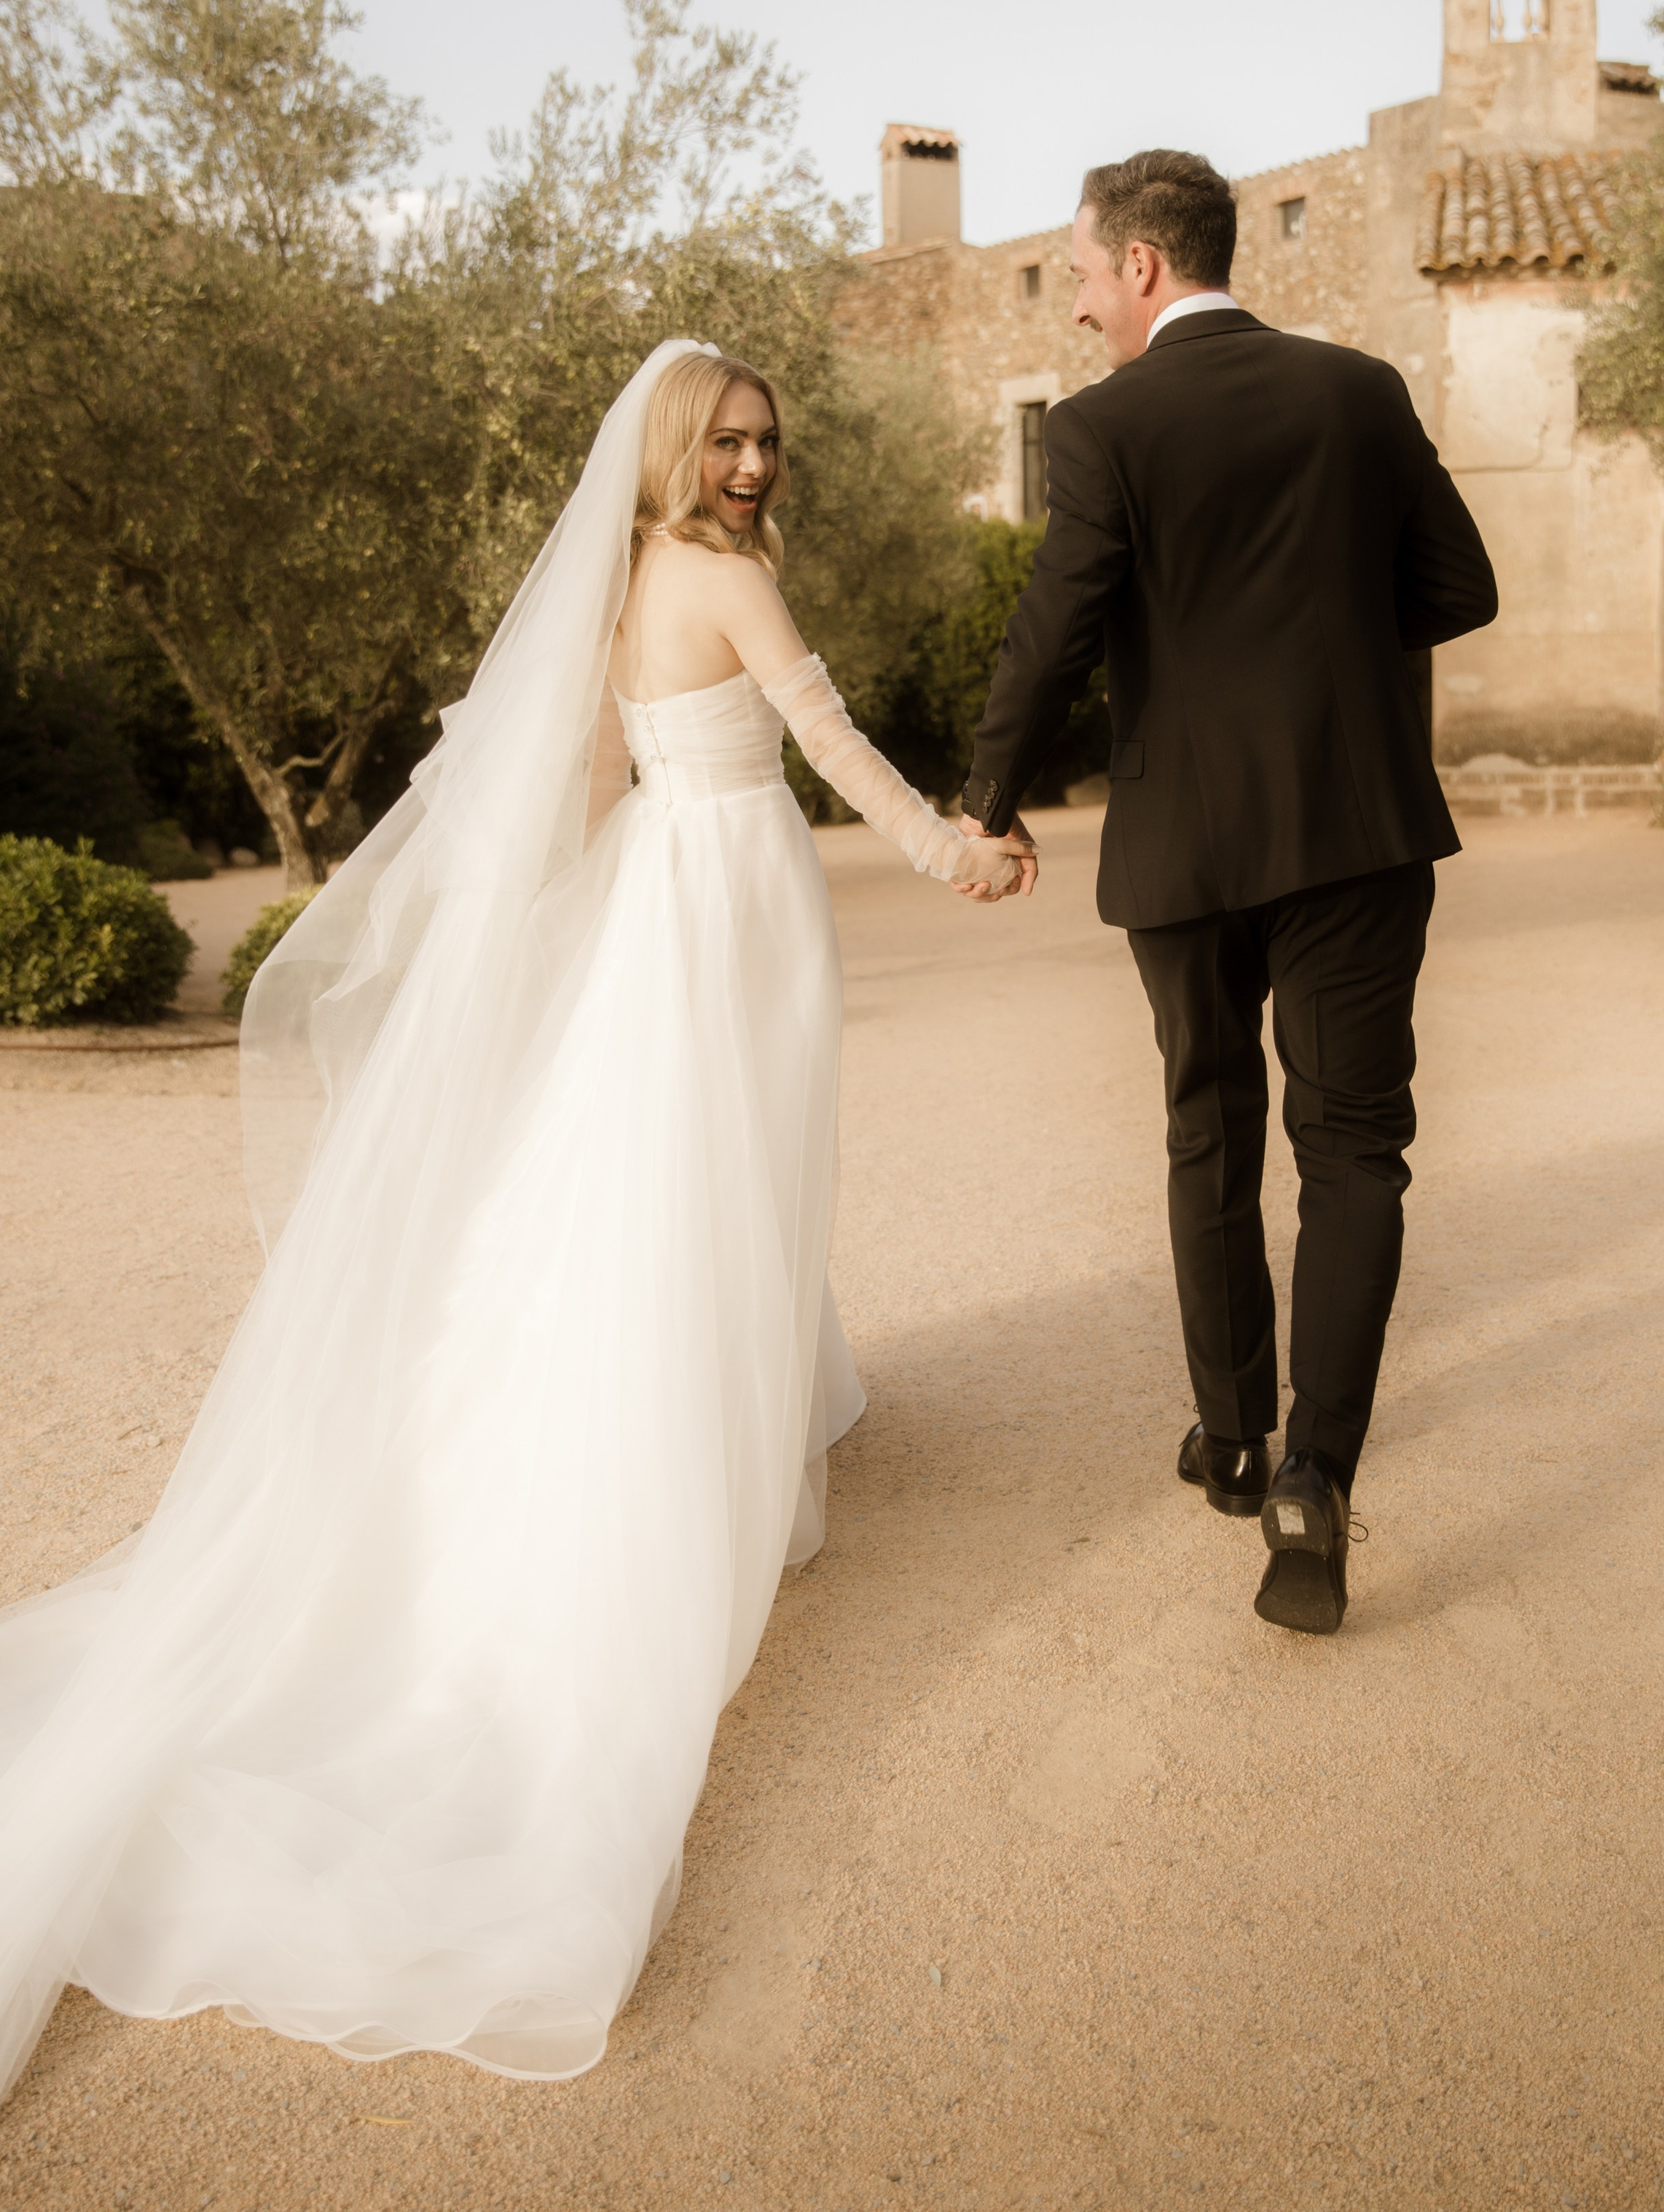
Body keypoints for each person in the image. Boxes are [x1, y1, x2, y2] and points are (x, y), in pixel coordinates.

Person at [0, 339, 1025, 2098]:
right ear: (669, 452)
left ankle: (747, 1397)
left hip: (675, 900)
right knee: (718, 1159)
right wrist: (953, 851)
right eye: (727, 438)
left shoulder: (628, 581)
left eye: (767, 440)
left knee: (681, 1166)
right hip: (719, 905)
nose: (756, 463)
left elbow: (594, 784)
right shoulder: (709, 574)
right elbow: (823, 738)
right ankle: (680, 1448)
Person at [959, 150, 1498, 1635]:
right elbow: (1462, 589)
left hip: (1185, 852)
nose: (1074, 309)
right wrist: (1325, 648)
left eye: (1075, 275)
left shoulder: (1103, 428)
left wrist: (985, 799)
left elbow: (1053, 633)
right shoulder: (1360, 390)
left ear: (1139, 267)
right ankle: (1313, 1481)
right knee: (1354, 1152)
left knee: (1209, 1131)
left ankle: (1231, 1438)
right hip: (1357, 832)